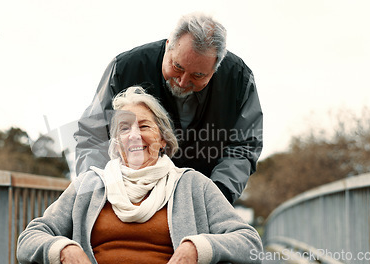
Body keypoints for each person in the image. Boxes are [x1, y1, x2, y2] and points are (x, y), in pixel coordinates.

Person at [17, 86, 262, 264]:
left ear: (163, 138)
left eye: (144, 126)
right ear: (116, 143)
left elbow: (249, 242)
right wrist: (62, 249)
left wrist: (197, 248)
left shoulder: (192, 184)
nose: (134, 135)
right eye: (124, 128)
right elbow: (29, 239)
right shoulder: (90, 185)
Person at [74, 12, 263, 204]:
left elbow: (243, 147)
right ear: (168, 47)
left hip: (201, 200)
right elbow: (93, 135)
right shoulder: (124, 68)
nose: (182, 82)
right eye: (177, 66)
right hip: (129, 197)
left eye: (197, 75)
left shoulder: (240, 80)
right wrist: (96, 191)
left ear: (215, 69)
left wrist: (217, 196)